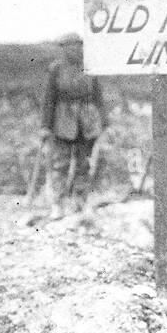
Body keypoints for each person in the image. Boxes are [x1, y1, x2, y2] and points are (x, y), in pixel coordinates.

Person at [39, 34, 107, 217]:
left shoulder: (90, 67)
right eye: (69, 46)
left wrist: (104, 123)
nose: (74, 50)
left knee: (83, 164)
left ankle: (79, 202)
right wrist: (45, 125)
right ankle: (58, 204)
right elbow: (49, 100)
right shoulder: (56, 69)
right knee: (60, 164)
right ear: (63, 49)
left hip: (87, 122)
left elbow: (98, 98)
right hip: (62, 122)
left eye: (78, 46)